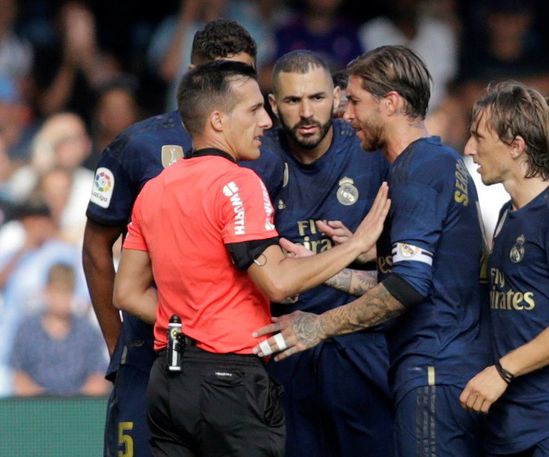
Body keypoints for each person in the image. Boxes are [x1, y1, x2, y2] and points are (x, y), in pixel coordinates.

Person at [112, 60, 389, 457]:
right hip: (230, 381)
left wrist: (191, 325)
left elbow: (126, 292)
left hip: (169, 381)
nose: (265, 121)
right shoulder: (239, 183)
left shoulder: (155, 189)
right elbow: (276, 281)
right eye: (254, 109)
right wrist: (354, 245)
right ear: (219, 121)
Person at [253, 45, 490, 457]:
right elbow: (422, 279)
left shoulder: (417, 170)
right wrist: (326, 270)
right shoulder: (431, 162)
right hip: (437, 366)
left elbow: (409, 286)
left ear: (391, 103)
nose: (347, 115)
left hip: (435, 368)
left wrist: (319, 325)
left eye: (356, 102)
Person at [82, 19, 258, 457]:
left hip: (236, 358)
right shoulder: (138, 146)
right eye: (218, 74)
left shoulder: (264, 149)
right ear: (192, 75)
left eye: (242, 76)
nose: (230, 86)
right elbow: (95, 248)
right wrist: (117, 345)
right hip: (150, 347)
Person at [244, 50, 393, 457]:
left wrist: (366, 251)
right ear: (273, 106)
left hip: (362, 346)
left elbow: (410, 265)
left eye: (317, 98)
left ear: (339, 97)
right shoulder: (256, 160)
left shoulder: (371, 152)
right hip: (280, 350)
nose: (306, 112)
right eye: (292, 101)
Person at [461, 80, 549, 456]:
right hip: (507, 422)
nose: (469, 149)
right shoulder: (508, 215)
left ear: (516, 145)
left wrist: (502, 370)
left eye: (478, 137)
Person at [9, 262, 109, 396]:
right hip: (37, 409)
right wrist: (47, 401)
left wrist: (71, 402)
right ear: (46, 291)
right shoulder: (27, 330)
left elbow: (99, 380)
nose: (62, 299)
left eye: (67, 292)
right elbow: (19, 379)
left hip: (79, 409)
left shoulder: (87, 331)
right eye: (57, 291)